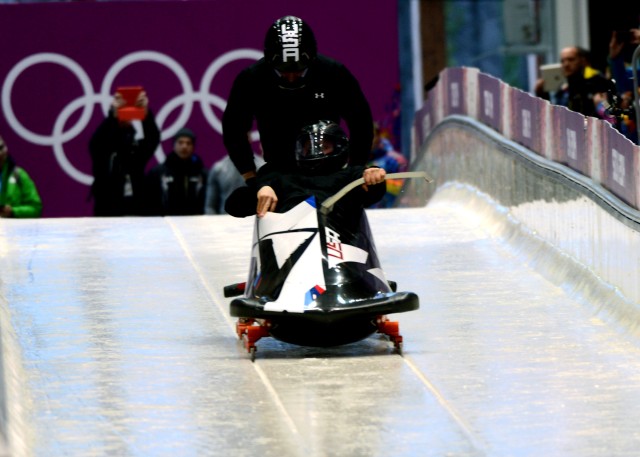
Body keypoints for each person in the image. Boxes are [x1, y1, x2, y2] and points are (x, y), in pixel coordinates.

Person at [222, 15, 374, 191]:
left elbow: (361, 121)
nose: (292, 78)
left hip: (329, 171)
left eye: (299, 70)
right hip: (279, 173)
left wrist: (355, 170)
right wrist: (250, 175)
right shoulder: (252, 79)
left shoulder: (334, 73)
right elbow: (233, 128)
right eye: (283, 72)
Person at [252, 121, 386, 229]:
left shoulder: (349, 176)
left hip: (338, 244)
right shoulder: (284, 177)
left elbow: (373, 192)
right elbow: (235, 205)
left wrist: (373, 174)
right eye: (309, 147)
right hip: (289, 245)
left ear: (338, 148)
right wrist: (263, 188)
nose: (315, 152)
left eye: (324, 147)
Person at [89, 90, 160, 216]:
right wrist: (113, 116)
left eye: (127, 113)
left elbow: (152, 139)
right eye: (121, 112)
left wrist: (146, 114)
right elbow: (96, 143)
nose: (124, 116)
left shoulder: (135, 148)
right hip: (107, 209)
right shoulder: (104, 149)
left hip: (135, 208)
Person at [535, 46, 612, 117]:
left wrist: (602, 107)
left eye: (571, 60)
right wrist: (542, 96)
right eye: (563, 61)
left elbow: (611, 115)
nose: (566, 64)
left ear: (583, 61)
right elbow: (555, 116)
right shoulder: (563, 91)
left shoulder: (598, 82)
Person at [145, 128, 207, 216]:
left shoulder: (202, 174)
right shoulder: (158, 173)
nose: (184, 146)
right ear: (174, 145)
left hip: (195, 224)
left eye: (188, 143)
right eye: (180, 142)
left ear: (193, 147)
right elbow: (149, 202)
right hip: (165, 223)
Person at [0, 134, 42, 218]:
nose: (0, 152)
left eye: (1, 147)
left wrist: (13, 211)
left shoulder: (18, 174)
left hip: (11, 229)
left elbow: (36, 208)